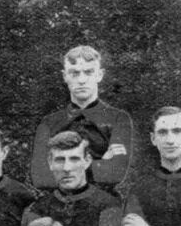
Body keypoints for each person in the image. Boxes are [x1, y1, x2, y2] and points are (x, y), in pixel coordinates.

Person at [31, 45, 134, 191]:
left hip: (103, 204)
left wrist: (62, 169)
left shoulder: (118, 119)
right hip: (58, 204)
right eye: (74, 73)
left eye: (88, 72)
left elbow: (114, 175)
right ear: (64, 76)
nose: (81, 80)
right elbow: (41, 178)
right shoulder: (49, 123)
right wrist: (101, 163)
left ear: (100, 75)